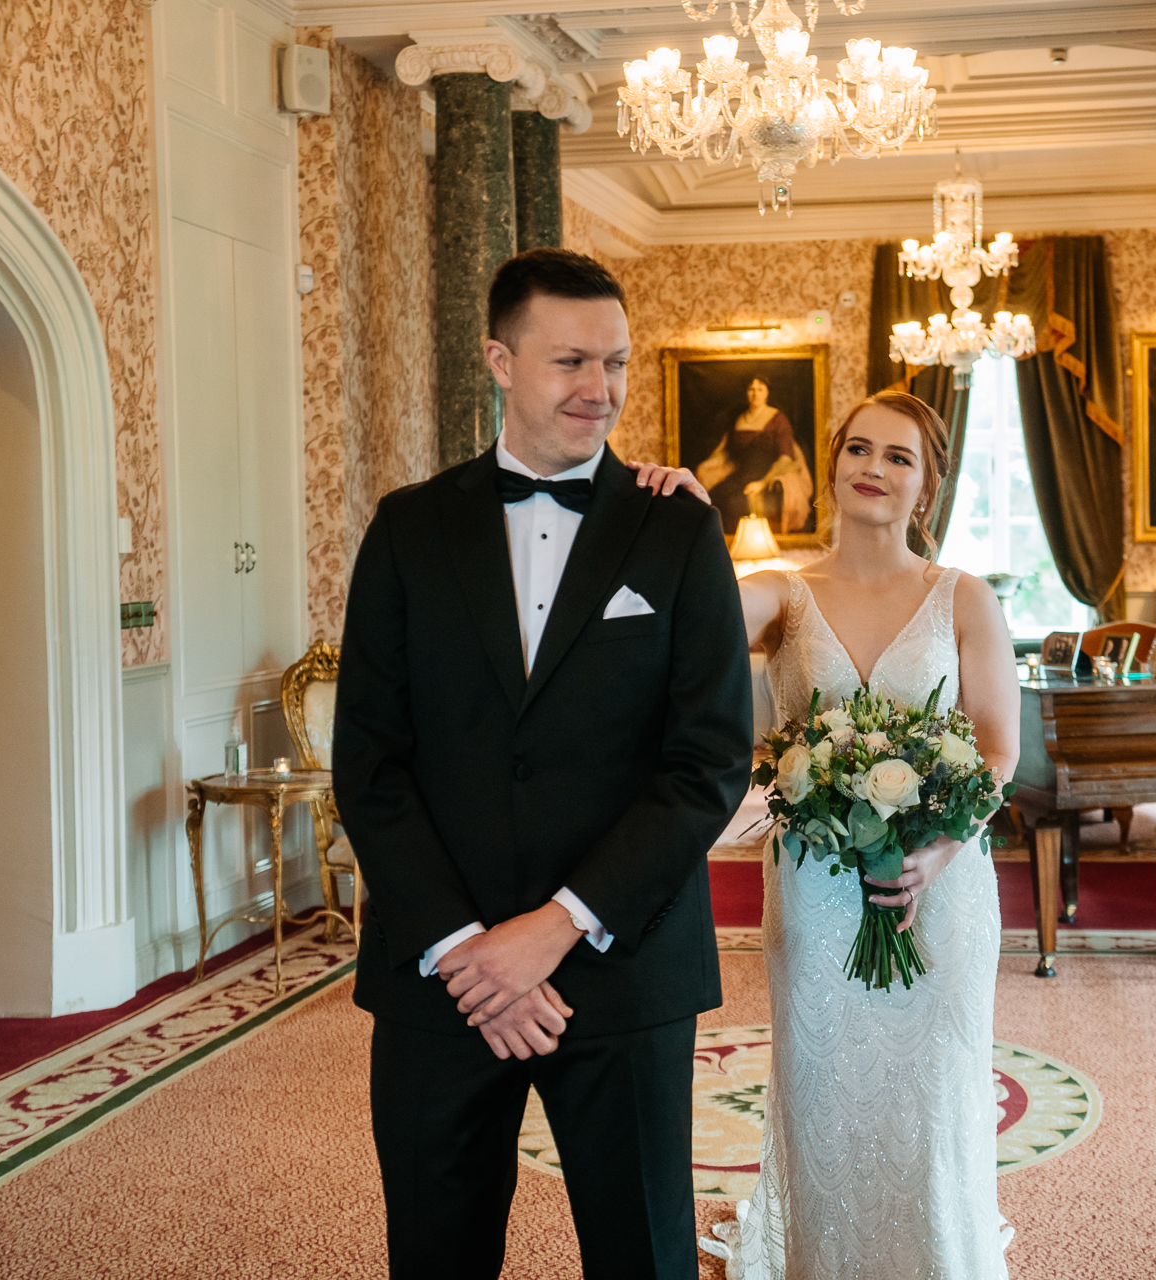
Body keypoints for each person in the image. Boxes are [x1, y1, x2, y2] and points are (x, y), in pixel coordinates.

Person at [332, 248, 755, 1280]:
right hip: (445, 976)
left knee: (644, 1255)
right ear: (499, 359)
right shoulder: (407, 527)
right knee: (436, 1250)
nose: (600, 389)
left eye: (614, 362)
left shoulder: (678, 527)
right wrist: (470, 948)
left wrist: (555, 927)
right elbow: (370, 764)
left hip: (623, 965)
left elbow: (707, 762)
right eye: (571, 360)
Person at [636, 390, 1021, 1280]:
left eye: (897, 457)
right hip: (814, 885)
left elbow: (998, 755)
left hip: (942, 884)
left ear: (926, 487)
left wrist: (937, 853)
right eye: (857, 449)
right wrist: (685, 520)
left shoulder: (963, 597)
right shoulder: (786, 593)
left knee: (931, 1092)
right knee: (824, 1088)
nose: (871, 469)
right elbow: (689, 615)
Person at [693, 375, 815, 536]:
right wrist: (704, 466)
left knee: (735, 503)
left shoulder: (778, 419)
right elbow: (727, 453)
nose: (755, 394)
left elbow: (785, 458)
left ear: (767, 393)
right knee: (716, 497)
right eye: (751, 389)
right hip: (740, 474)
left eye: (760, 389)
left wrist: (762, 483)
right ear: (746, 392)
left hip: (769, 474)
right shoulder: (739, 419)